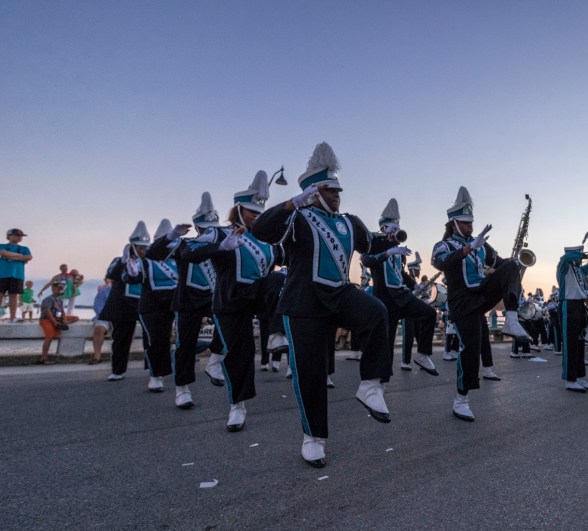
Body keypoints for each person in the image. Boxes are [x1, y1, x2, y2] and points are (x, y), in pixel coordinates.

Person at [252, 141, 394, 468]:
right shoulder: (298, 219)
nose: (337, 196)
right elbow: (261, 230)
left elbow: (370, 242)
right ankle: (312, 437)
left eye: (338, 191)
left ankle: (371, 386)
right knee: (311, 374)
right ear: (314, 192)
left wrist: (390, 239)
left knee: (376, 313)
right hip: (304, 301)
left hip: (340, 293)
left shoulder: (347, 222)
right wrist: (290, 204)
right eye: (330, 191)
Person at [183, 171, 283, 431]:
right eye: (252, 213)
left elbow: (294, 255)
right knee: (242, 353)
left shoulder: (268, 241)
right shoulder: (220, 233)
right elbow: (188, 251)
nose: (256, 217)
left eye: (260, 214)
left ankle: (275, 334)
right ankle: (237, 406)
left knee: (278, 280)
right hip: (230, 300)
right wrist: (219, 247)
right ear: (238, 211)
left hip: (257, 296)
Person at [431, 186, 531, 421]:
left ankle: (512, 319)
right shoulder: (443, 245)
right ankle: (461, 400)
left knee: (510, 267)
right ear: (454, 223)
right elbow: (441, 263)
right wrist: (468, 249)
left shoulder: (481, 245)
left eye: (471, 222)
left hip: (481, 295)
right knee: (471, 349)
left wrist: (517, 264)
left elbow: (499, 262)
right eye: (465, 223)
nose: (470, 227)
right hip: (462, 301)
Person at [147, 192, 225, 409]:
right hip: (187, 300)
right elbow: (153, 255)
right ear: (198, 228)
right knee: (185, 345)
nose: (211, 231)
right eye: (207, 228)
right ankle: (183, 389)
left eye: (214, 228)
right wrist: (171, 236)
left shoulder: (221, 244)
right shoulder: (184, 245)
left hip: (212, 297)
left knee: (229, 325)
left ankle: (215, 360)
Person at [361, 198, 439, 376]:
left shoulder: (399, 251)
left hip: (402, 295)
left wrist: (416, 285)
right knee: (386, 343)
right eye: (392, 228)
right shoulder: (374, 243)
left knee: (429, 313)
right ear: (383, 228)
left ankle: (422, 354)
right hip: (384, 299)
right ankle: (382, 380)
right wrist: (387, 252)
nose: (396, 232)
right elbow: (366, 260)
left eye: (398, 228)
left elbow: (401, 274)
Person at [128, 219, 179, 394]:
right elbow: (132, 276)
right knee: (155, 341)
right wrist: (130, 271)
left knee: (168, 340)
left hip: (172, 307)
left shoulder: (177, 261)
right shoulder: (146, 262)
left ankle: (165, 369)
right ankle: (155, 376)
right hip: (151, 308)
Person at [99, 222, 149, 381]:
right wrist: (123, 261)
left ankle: (154, 370)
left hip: (145, 304)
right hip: (122, 306)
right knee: (121, 340)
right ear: (133, 247)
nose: (143, 250)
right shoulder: (119, 261)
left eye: (145, 247)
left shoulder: (149, 262)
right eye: (140, 247)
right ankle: (118, 370)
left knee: (152, 338)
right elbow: (111, 275)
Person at [556, 242, 588, 392]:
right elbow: (565, 258)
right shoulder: (564, 266)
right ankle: (569, 379)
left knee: (580, 343)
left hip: (580, 305)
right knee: (570, 343)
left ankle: (580, 377)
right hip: (568, 305)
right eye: (580, 254)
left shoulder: (578, 270)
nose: (581, 259)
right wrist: (586, 255)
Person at [38, 281, 79, 364]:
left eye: (62, 289)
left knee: (76, 318)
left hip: (57, 318)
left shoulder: (59, 300)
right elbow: (47, 311)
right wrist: (54, 323)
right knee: (49, 336)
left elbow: (62, 312)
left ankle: (63, 324)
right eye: (59, 289)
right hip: (46, 319)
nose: (61, 291)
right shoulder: (48, 299)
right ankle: (44, 358)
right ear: (53, 290)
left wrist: (64, 319)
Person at [0, 228, 33, 322]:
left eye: (20, 236)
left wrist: (9, 256)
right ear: (9, 236)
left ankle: (12, 317)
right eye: (17, 235)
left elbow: (29, 257)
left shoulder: (24, 248)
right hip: (2, 274)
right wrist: (20, 257)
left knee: (14, 296)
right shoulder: (2, 246)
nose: (19, 237)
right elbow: (2, 252)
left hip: (17, 275)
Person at [88, 279, 112, 364]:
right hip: (104, 316)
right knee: (99, 329)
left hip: (120, 317)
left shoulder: (126, 291)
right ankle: (97, 356)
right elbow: (97, 306)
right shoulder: (103, 292)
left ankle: (122, 355)